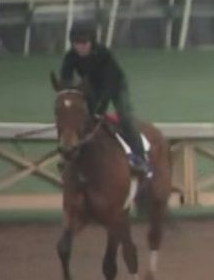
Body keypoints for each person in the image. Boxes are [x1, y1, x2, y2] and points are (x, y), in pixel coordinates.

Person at [59, 21, 151, 177]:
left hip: (115, 87)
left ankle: (141, 157)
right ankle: (72, 157)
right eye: (76, 44)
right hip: (91, 88)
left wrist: (99, 110)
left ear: (92, 41)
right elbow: (65, 80)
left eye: (84, 43)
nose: (80, 47)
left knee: (125, 117)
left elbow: (108, 87)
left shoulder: (104, 55)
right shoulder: (70, 57)